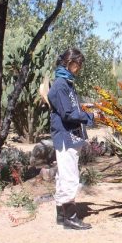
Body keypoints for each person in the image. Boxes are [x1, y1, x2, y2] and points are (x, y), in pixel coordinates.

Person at [47, 48, 94, 230]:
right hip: (66, 137)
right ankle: (70, 218)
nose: (79, 68)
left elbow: (70, 110)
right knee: (69, 177)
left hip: (70, 137)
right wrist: (89, 117)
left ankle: (61, 215)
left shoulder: (66, 83)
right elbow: (68, 114)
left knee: (63, 176)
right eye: (78, 64)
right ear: (69, 62)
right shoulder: (60, 85)